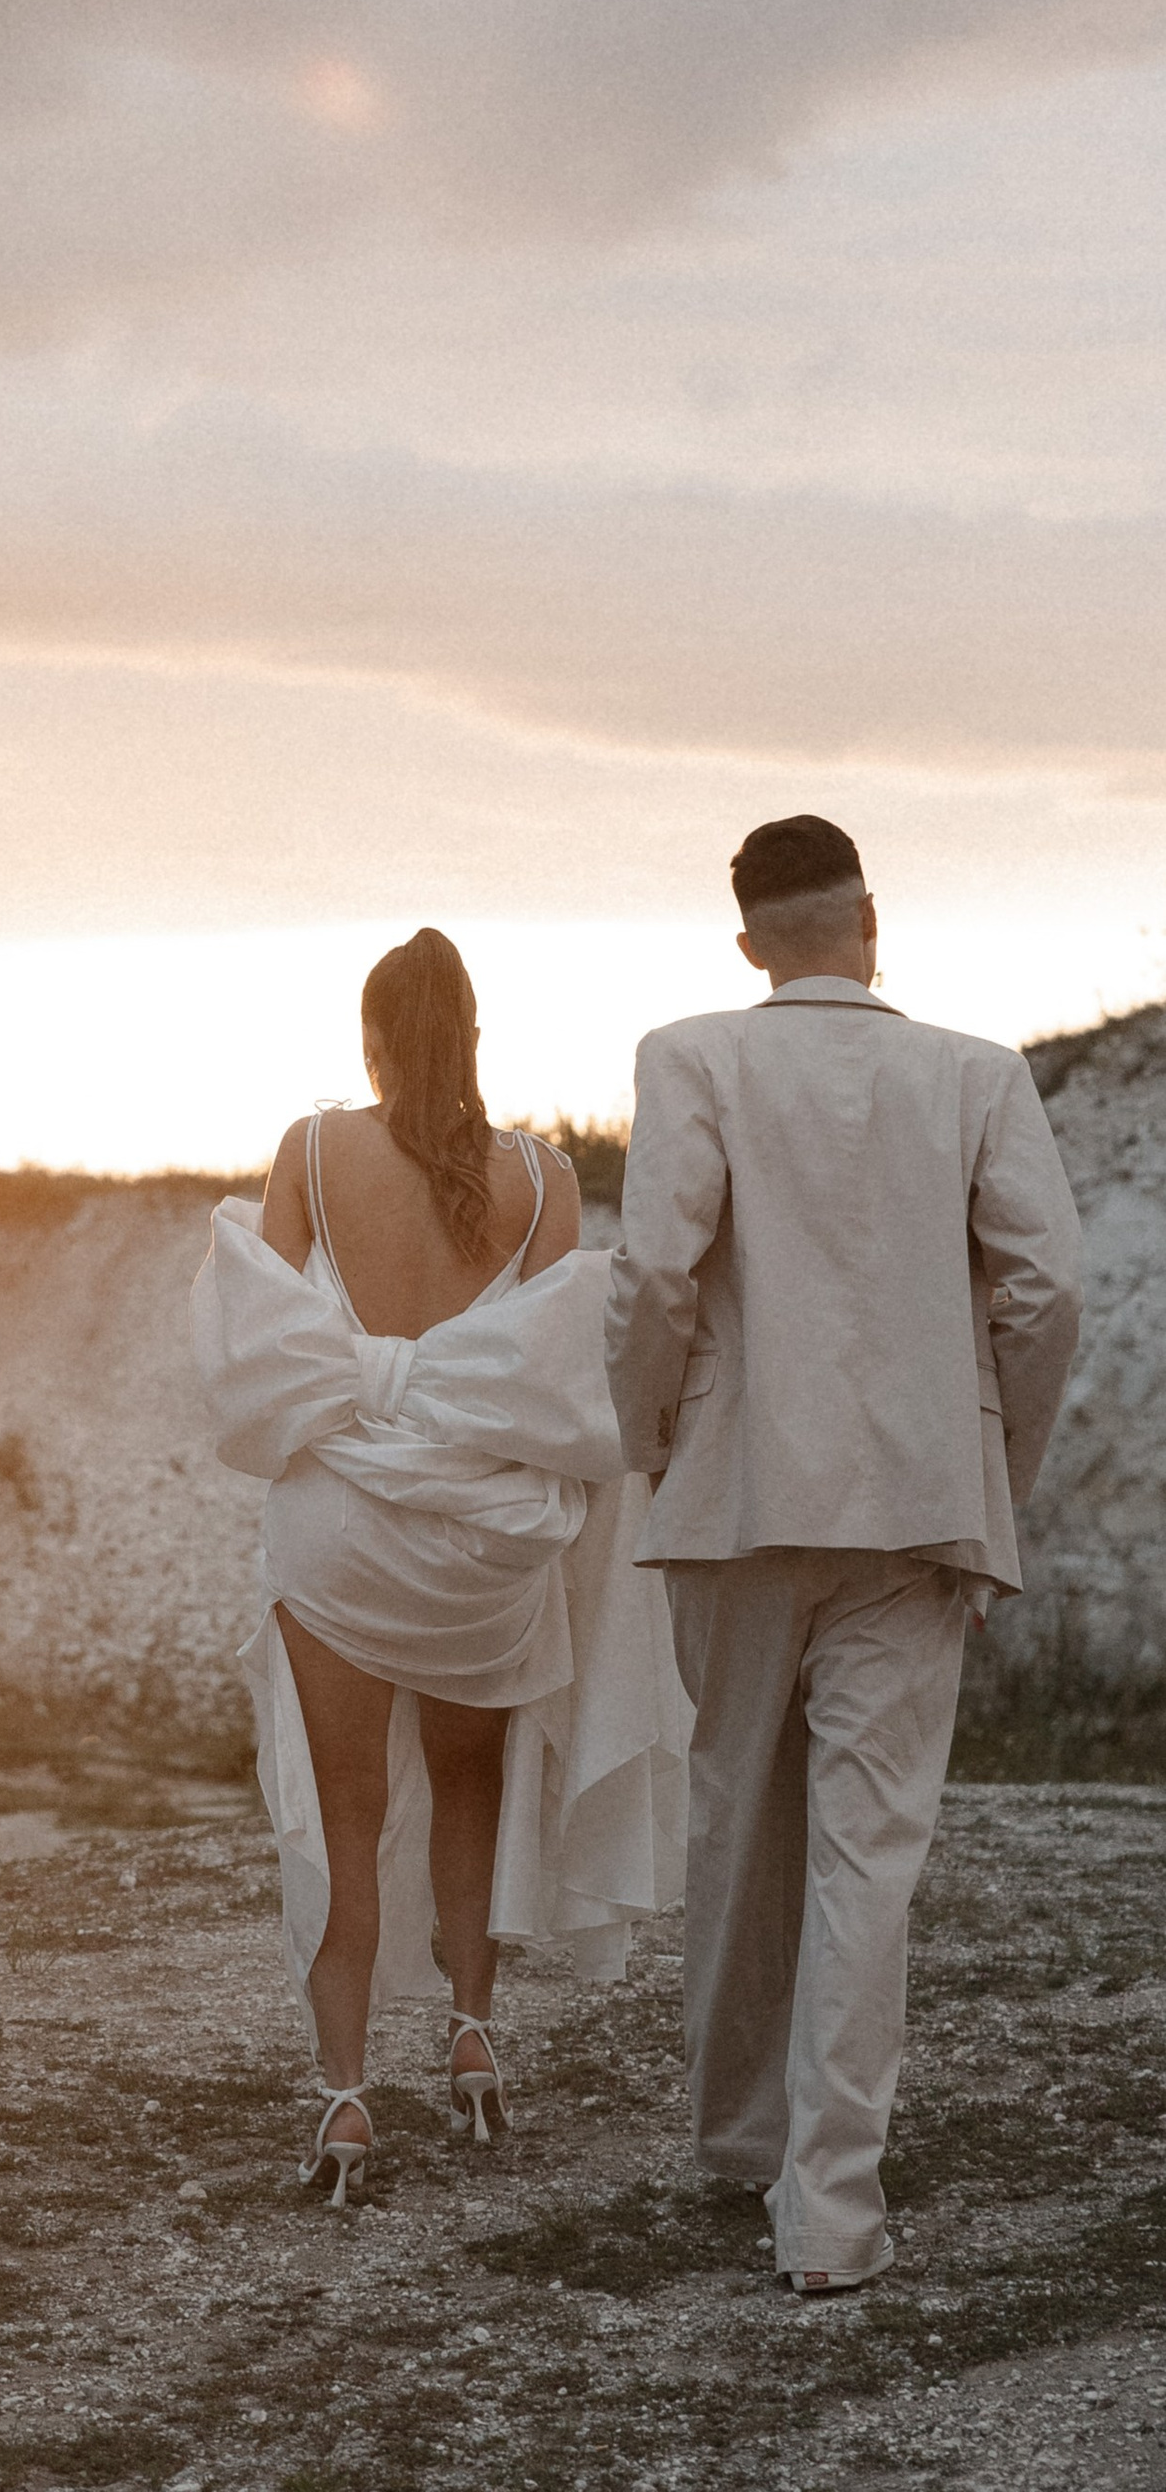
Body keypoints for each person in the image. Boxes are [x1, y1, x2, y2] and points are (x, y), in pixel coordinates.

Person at [607, 817, 1083, 2296]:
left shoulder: (693, 1056)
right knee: (868, 1859)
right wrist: (994, 1472)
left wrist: (654, 1442)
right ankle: (830, 2212)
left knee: (738, 1824)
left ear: (748, 944)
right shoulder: (976, 1073)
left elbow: (653, 1277)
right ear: (874, 918)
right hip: (920, 1513)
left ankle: (743, 2139)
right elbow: (1048, 1289)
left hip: (739, 1498)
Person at [193, 927, 688, 2204]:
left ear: (368, 1039)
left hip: (343, 1517)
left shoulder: (308, 1149)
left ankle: (347, 2101)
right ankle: (470, 2032)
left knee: (347, 1816)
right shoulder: (545, 1179)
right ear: (473, 1039)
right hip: (482, 1533)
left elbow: (264, 1335)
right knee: (471, 1790)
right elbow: (555, 1365)